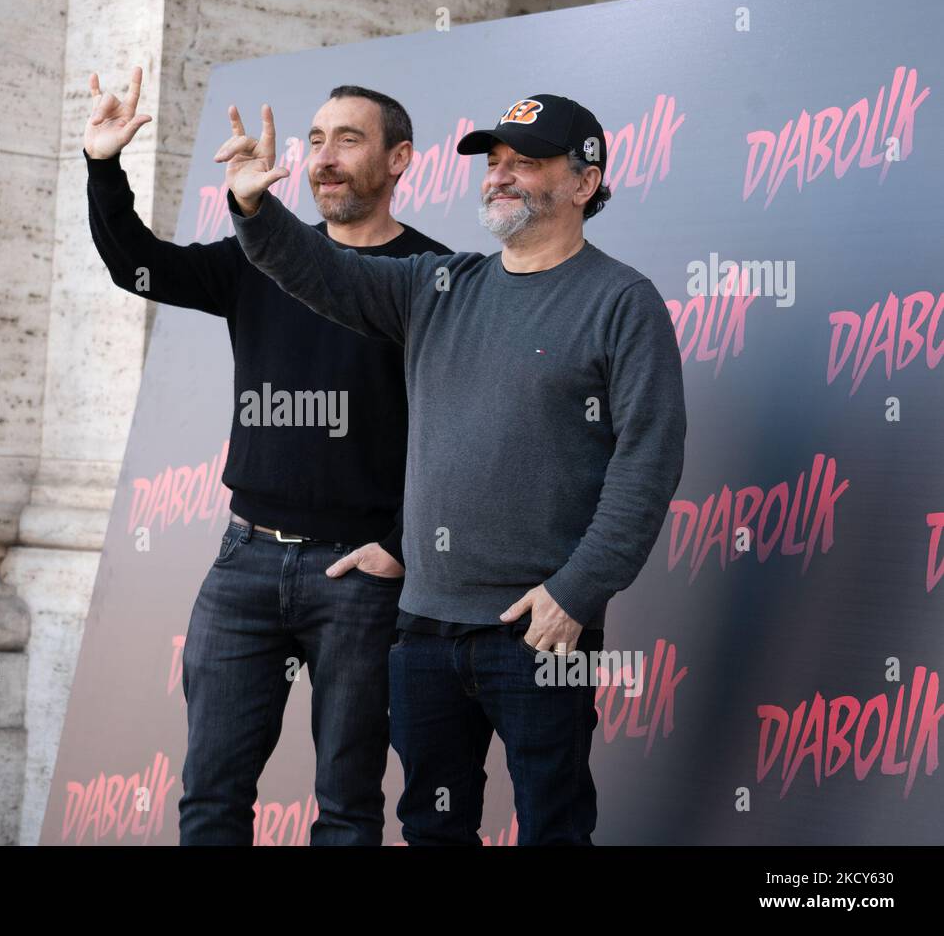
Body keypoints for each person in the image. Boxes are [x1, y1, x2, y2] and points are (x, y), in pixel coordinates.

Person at [215, 94, 686, 844]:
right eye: (493, 161)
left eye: (524, 162)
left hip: (543, 632)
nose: (499, 176)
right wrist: (253, 208)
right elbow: (319, 271)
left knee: (554, 829)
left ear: (584, 182)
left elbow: (648, 463)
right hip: (425, 631)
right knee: (432, 832)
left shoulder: (623, 303)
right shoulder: (438, 285)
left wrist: (576, 593)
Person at [84, 68, 451, 844]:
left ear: (400, 159)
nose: (324, 156)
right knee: (212, 798)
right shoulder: (259, 258)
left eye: (348, 139)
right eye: (315, 139)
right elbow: (136, 264)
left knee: (348, 808)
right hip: (244, 561)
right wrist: (103, 165)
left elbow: (459, 434)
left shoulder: (436, 281)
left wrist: (401, 543)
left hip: (359, 577)